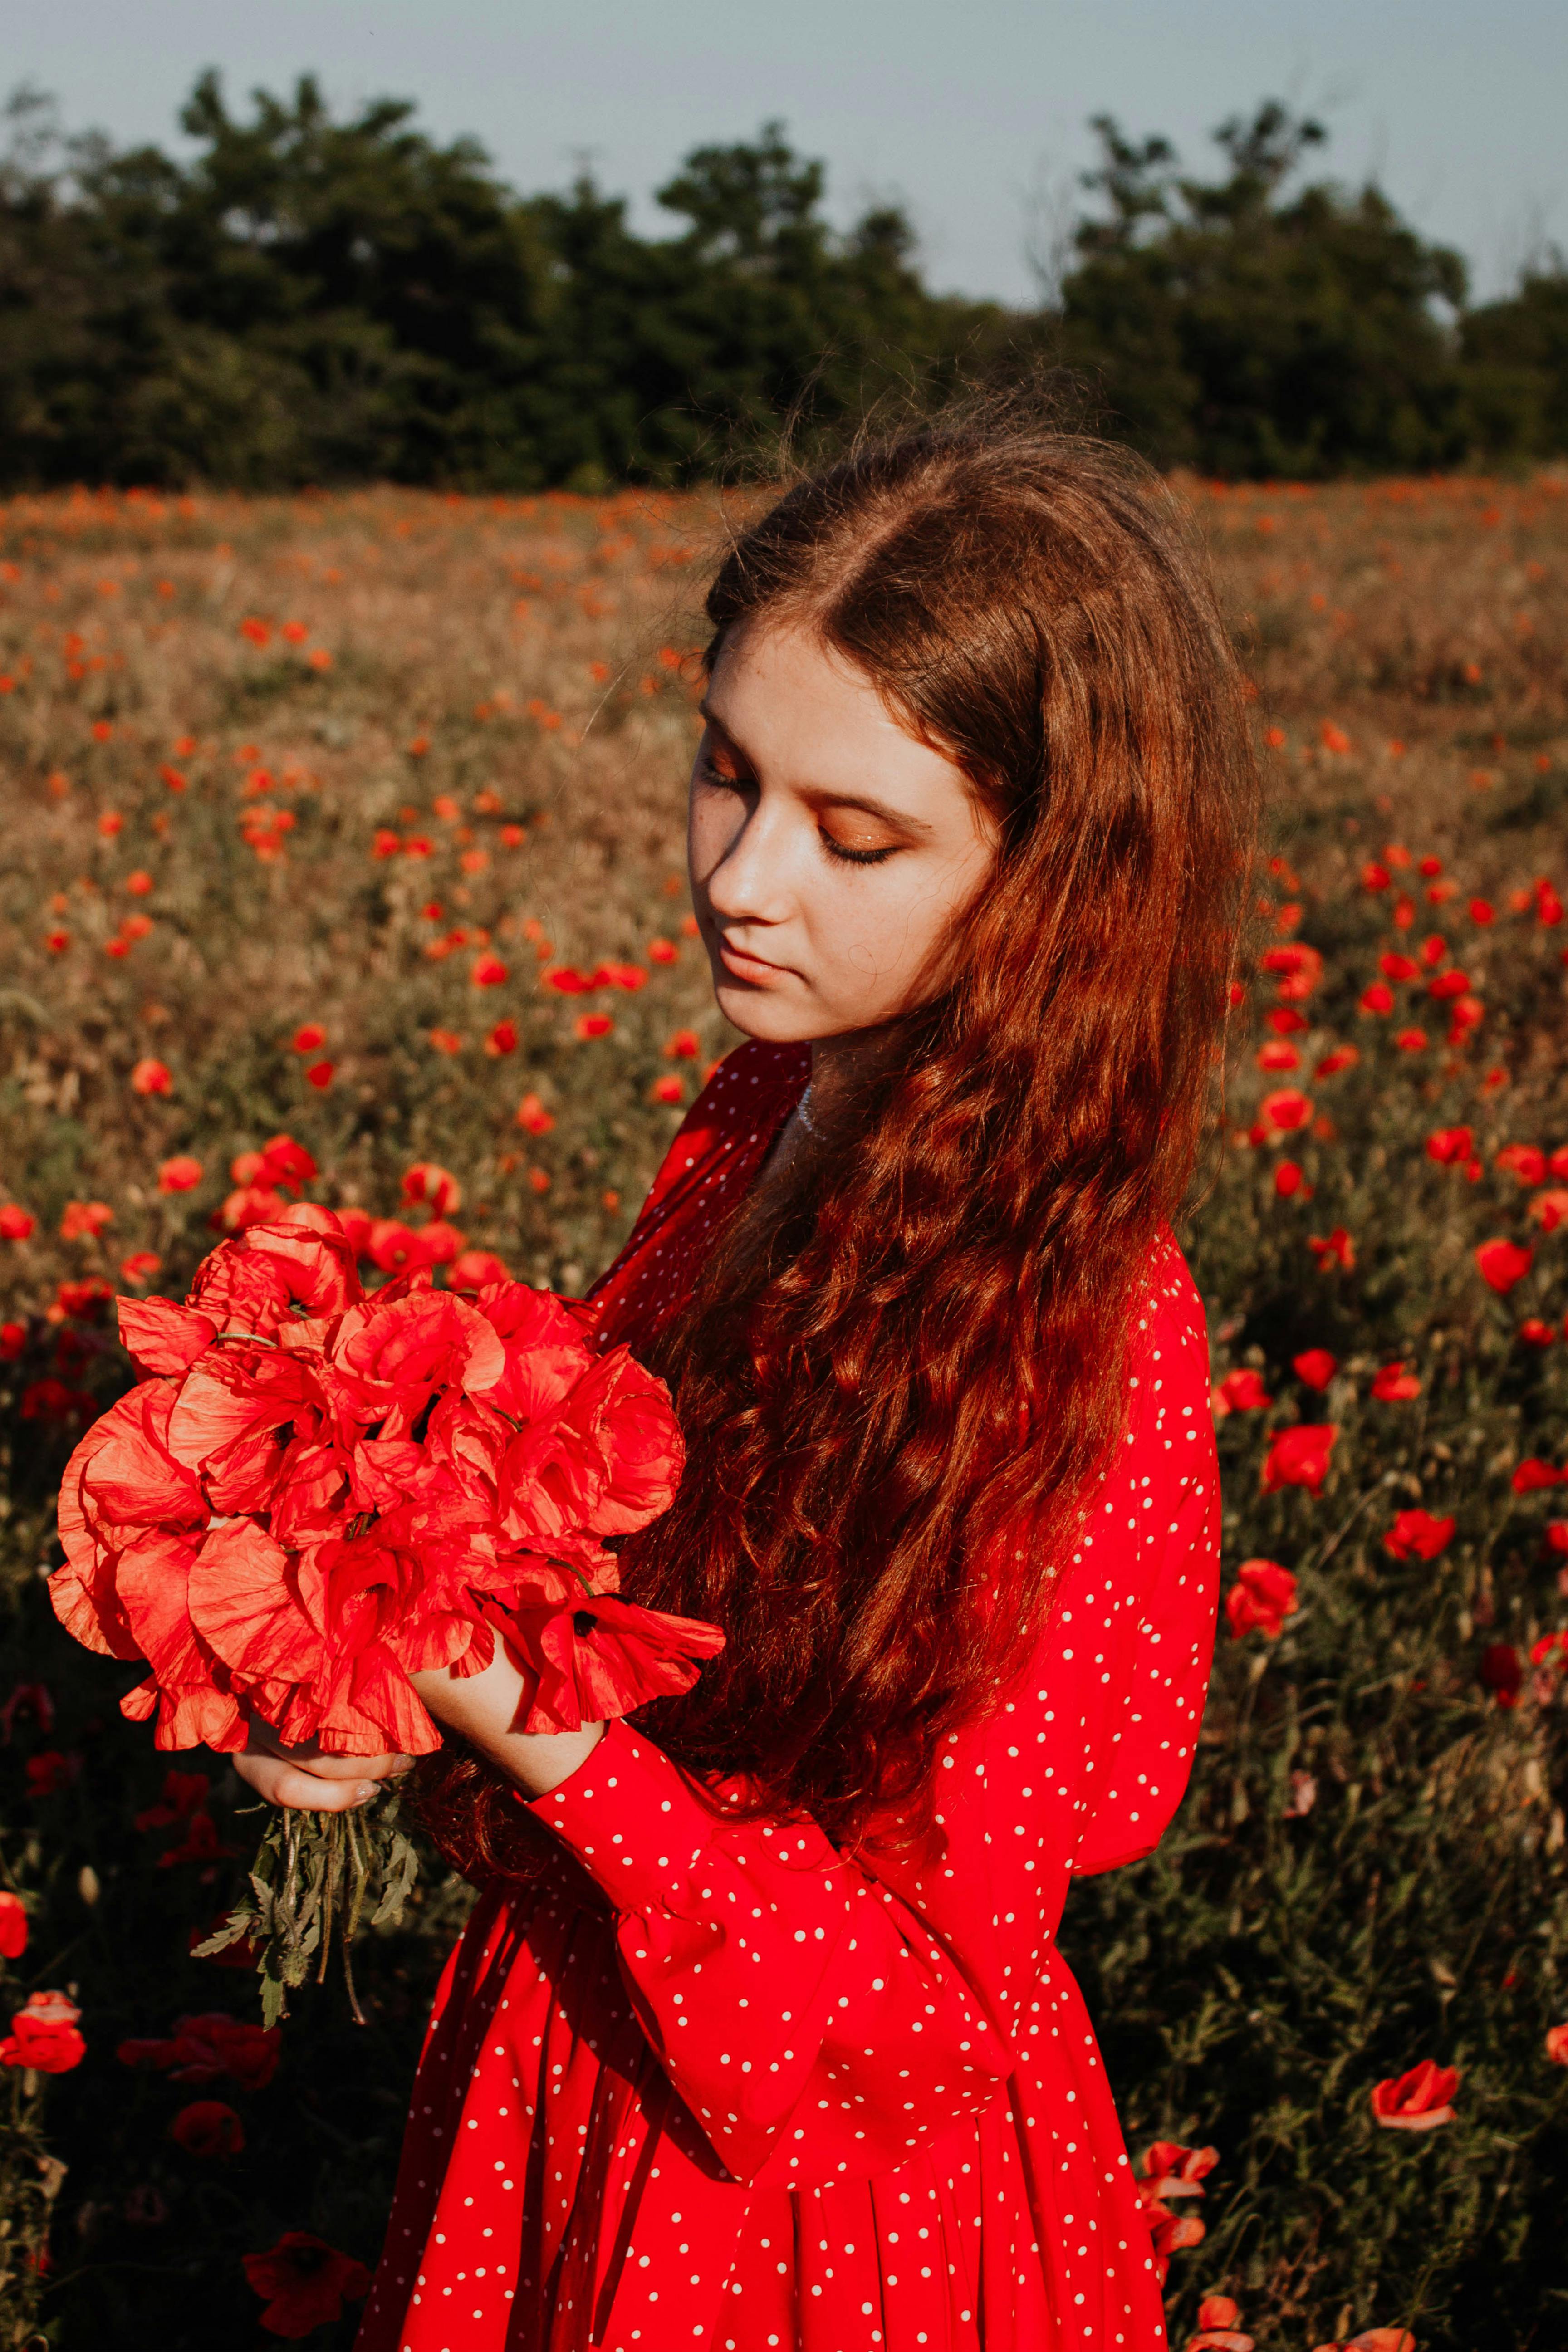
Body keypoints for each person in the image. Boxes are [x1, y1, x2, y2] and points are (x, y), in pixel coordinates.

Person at [237, 414, 1253, 2351]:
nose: (745, 878)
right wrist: (383, 1683)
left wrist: (507, 1698)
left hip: (808, 2211)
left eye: (855, 834)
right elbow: (645, 1604)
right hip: (585, 2066)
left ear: (1056, 881)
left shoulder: (1087, 1321)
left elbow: (918, 2015)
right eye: (726, 772)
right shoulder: (772, 1106)